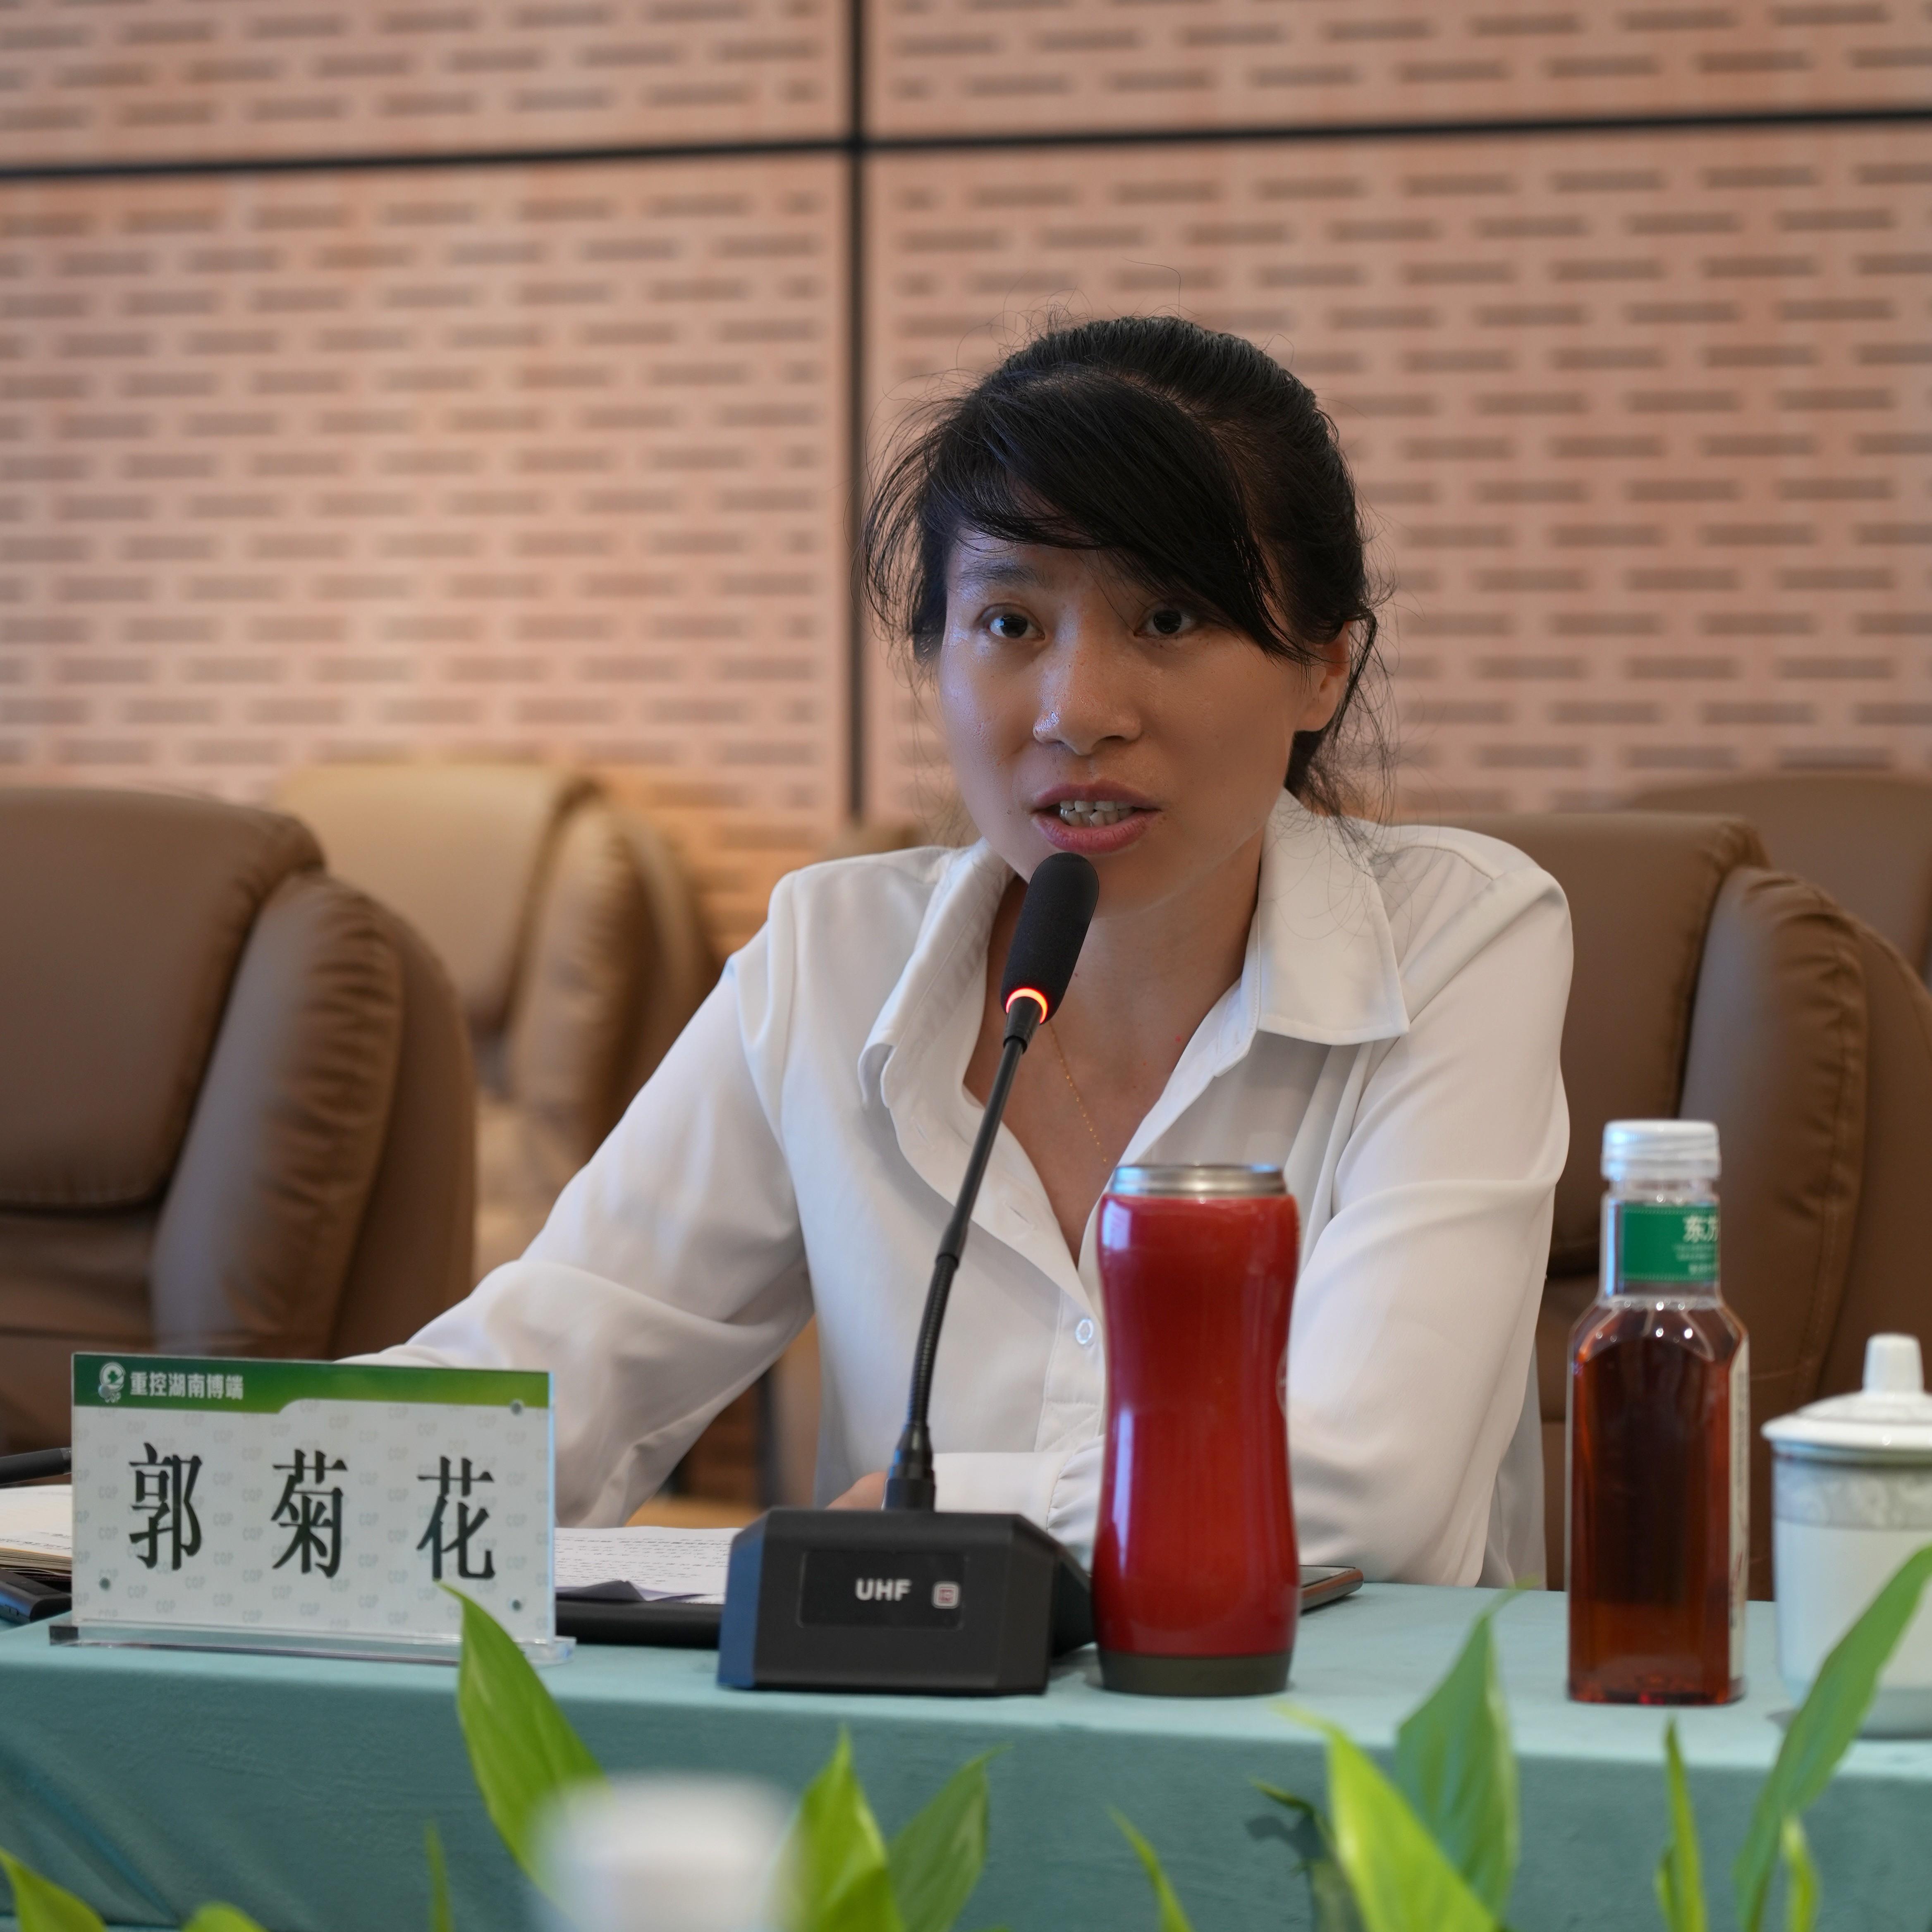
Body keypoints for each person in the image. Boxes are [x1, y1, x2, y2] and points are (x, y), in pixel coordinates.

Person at [379, 316, 1571, 1586]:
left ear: (1324, 667)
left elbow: (1373, 1491)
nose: (1078, 713)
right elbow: (550, 1367)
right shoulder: (830, 959)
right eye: (1009, 623)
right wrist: (250, 1483)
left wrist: (935, 1515)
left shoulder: (1460, 941)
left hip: (1327, 1715)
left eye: (1168, 618)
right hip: (900, 1715)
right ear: (933, 655)